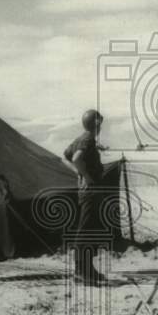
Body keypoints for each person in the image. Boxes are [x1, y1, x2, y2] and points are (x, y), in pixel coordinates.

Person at [63, 108, 107, 283]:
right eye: (100, 123)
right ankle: (81, 271)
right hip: (90, 191)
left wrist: (78, 174)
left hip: (88, 191)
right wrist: (86, 176)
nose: (101, 126)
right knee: (86, 231)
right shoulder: (88, 138)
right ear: (96, 123)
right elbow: (75, 158)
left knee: (90, 229)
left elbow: (64, 157)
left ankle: (88, 268)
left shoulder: (83, 138)